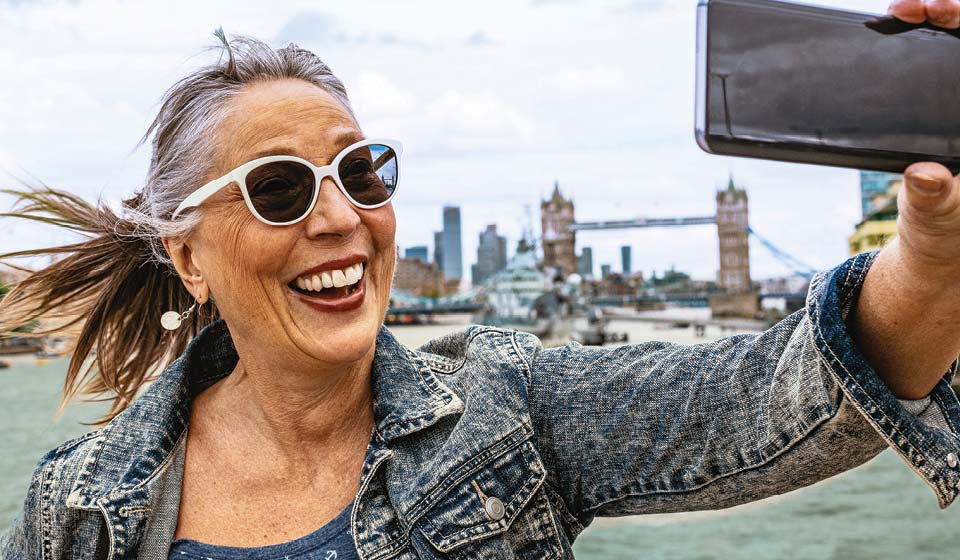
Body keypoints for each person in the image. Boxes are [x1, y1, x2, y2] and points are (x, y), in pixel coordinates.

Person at [2, 1, 960, 558]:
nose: (340, 217)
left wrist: (933, 249)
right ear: (187, 257)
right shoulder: (75, 513)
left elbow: (790, 395)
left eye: (361, 171)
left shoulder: (509, 411)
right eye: (281, 188)